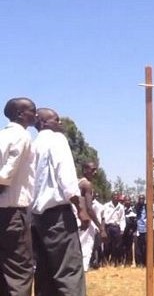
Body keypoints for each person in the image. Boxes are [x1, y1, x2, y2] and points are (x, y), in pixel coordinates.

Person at [31, 107, 90, 296]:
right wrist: (80, 208)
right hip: (58, 218)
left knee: (45, 274)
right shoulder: (56, 139)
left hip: (36, 219)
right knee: (69, 272)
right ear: (42, 122)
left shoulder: (33, 145)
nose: (60, 123)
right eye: (56, 120)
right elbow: (65, 176)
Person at [0, 97, 36, 296]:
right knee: (19, 273)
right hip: (13, 214)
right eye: (32, 110)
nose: (35, 114)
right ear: (20, 114)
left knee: (3, 273)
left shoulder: (1, 136)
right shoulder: (22, 136)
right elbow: (6, 175)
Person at [78, 161, 106, 272]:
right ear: (85, 170)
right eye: (93, 169)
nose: (95, 172)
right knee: (85, 251)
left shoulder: (78, 182)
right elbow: (89, 209)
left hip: (76, 221)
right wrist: (101, 227)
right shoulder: (87, 185)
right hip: (85, 223)